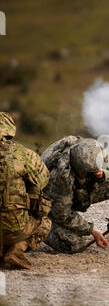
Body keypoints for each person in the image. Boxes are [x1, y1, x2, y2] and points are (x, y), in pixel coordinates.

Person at [41, 136, 109, 254]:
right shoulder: (61, 175)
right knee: (74, 244)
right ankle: (40, 229)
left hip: (79, 192)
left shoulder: (95, 149)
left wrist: (103, 176)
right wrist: (91, 230)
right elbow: (62, 215)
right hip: (51, 205)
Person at [0, 112, 51, 269]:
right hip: (13, 229)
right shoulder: (24, 154)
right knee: (45, 223)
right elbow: (43, 180)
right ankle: (16, 251)